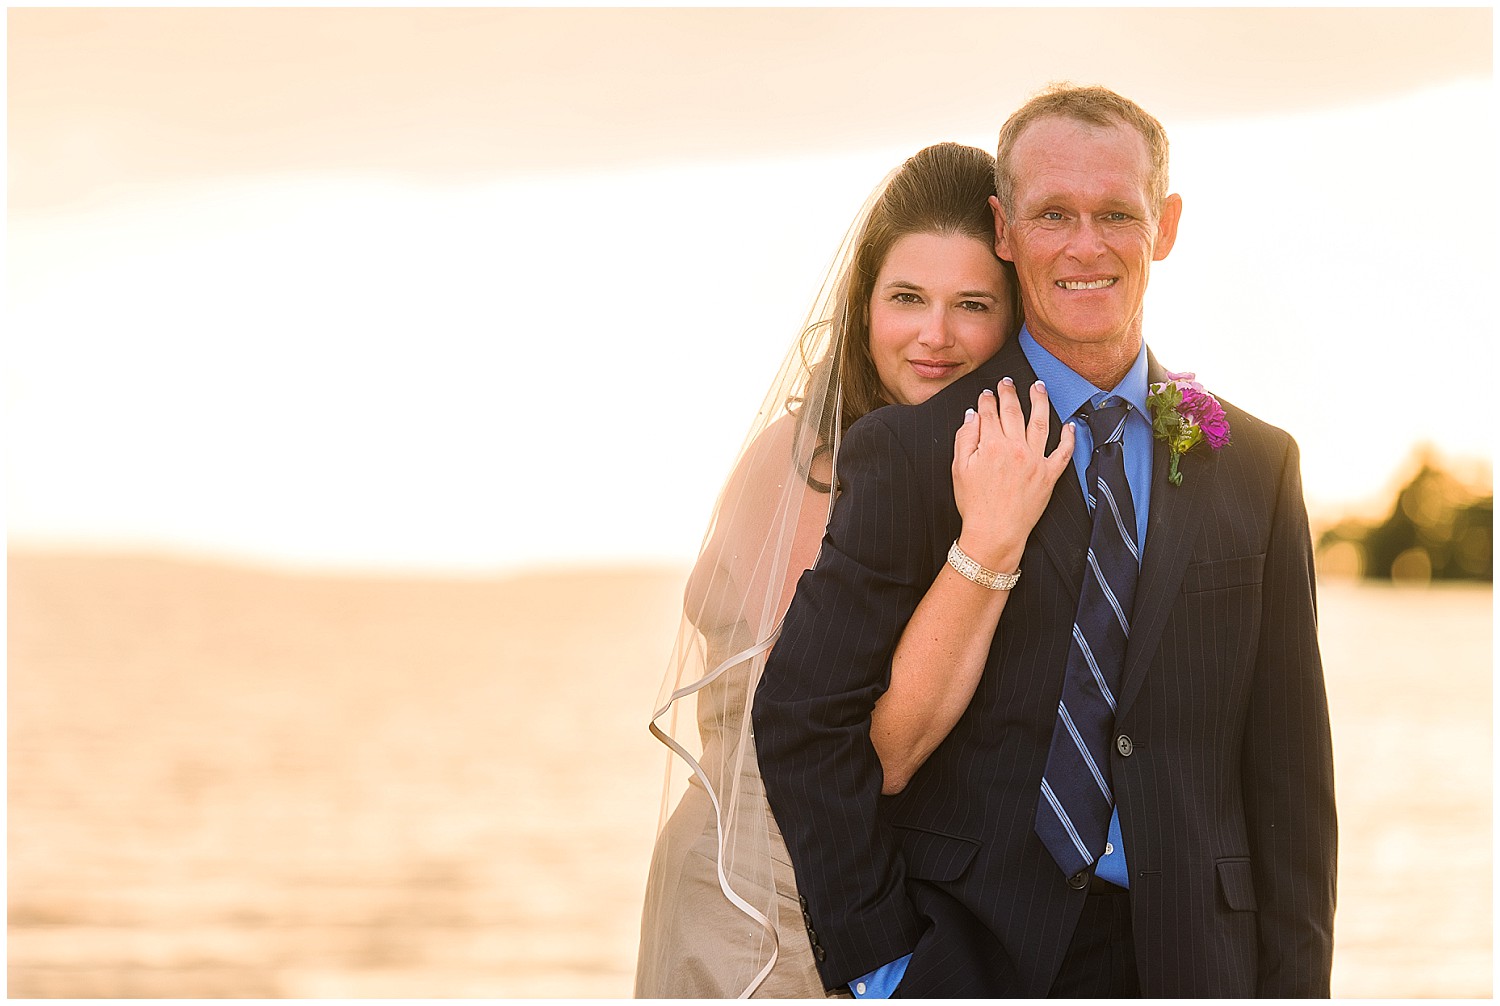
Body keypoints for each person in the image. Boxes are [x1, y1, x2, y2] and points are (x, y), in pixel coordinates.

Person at [754, 84, 1337, 997]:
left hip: (1199, 966)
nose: (1085, 244)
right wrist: (882, 967)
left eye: (1117, 214)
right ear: (1004, 228)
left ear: (1166, 224)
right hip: (974, 959)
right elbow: (801, 722)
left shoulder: (1256, 467)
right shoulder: (911, 453)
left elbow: (1292, 778)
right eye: (1052, 213)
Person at [635, 142, 1075, 997]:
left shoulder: (966, 463)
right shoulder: (810, 463)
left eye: (971, 304)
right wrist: (990, 545)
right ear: (864, 303)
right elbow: (871, 746)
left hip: (878, 894)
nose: (934, 335)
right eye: (906, 297)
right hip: (757, 899)